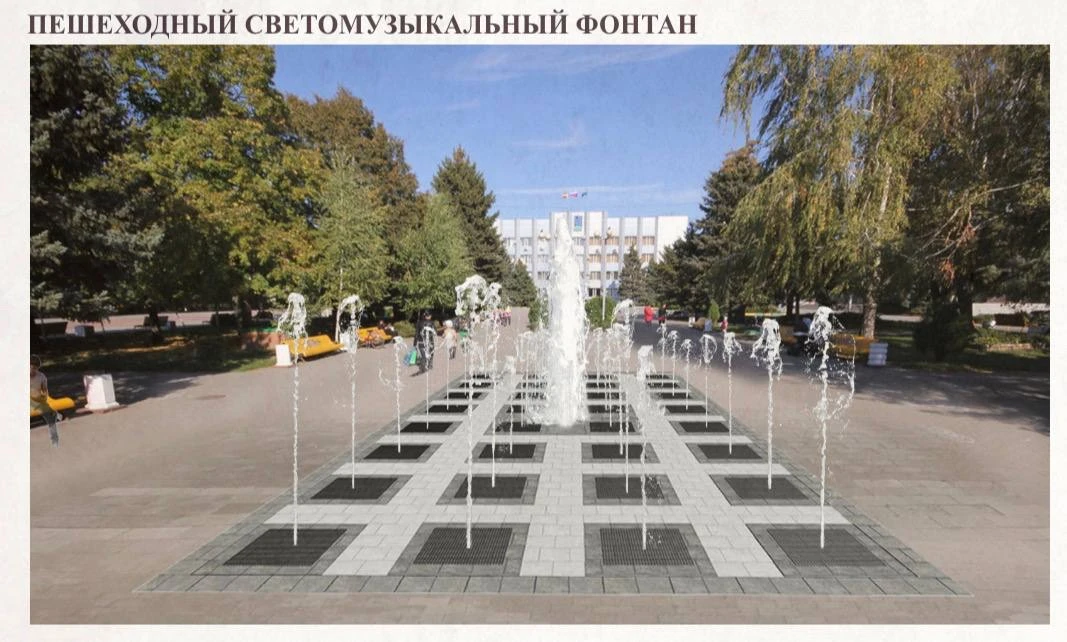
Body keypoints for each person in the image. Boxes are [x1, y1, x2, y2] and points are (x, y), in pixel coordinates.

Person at [30, 355, 60, 447]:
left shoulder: (41, 376)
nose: (32, 371)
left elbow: (45, 390)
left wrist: (44, 395)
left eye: (35, 369)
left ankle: (55, 439)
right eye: (31, 368)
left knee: (52, 416)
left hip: (38, 400)